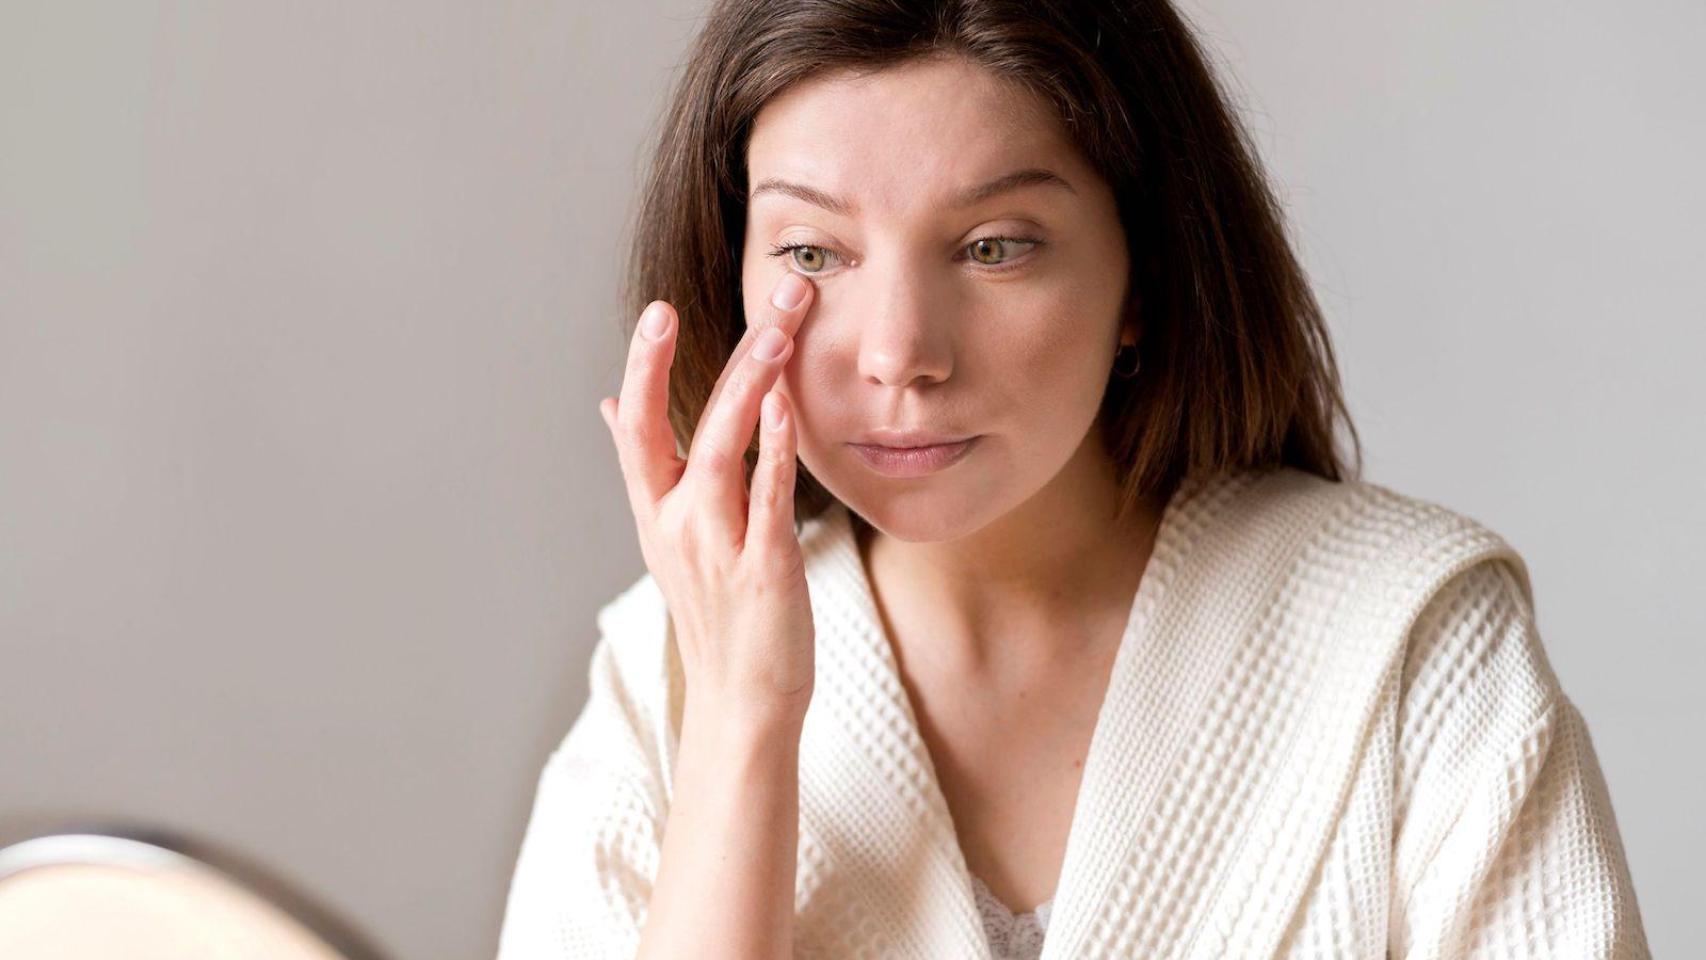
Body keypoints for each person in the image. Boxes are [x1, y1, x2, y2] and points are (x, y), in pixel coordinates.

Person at [497, 1, 1652, 957]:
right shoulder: (659, 683)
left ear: (1141, 274)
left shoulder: (1410, 644)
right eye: (810, 254)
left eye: (994, 246)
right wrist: (741, 724)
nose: (899, 353)